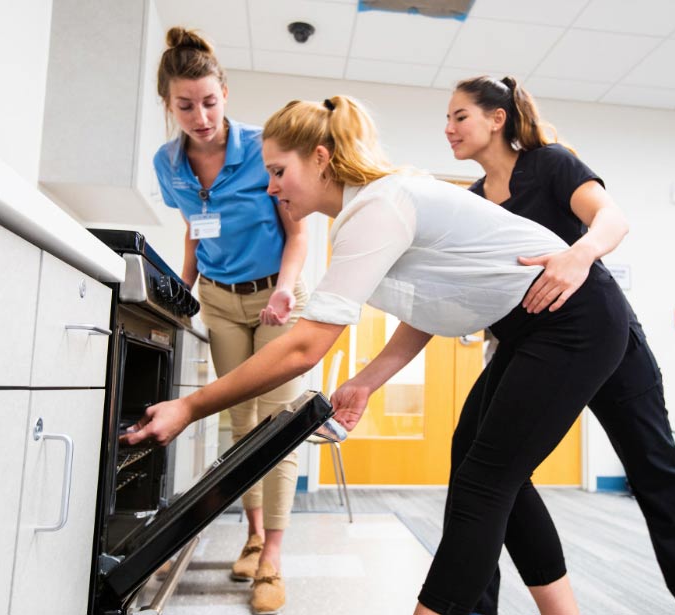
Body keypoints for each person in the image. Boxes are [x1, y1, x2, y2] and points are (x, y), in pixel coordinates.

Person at [122, 93, 631, 615]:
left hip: (576, 320)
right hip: (533, 327)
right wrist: (367, 381)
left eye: (277, 171)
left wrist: (189, 406)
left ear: (320, 158)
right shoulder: (369, 209)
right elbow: (430, 309)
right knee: (488, 469)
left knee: (484, 481)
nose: (270, 187)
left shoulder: (378, 208)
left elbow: (303, 347)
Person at [445, 75, 675, 615]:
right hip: (530, 343)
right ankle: (468, 603)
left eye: (459, 116)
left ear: (497, 118)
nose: (448, 129)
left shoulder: (551, 163)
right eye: (447, 120)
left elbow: (612, 218)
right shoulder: (473, 203)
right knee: (478, 462)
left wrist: (578, 255)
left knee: (658, 471)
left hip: (604, 339)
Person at [152, 27, 309, 614]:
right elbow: (196, 225)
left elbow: (298, 231)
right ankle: (248, 535)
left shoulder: (262, 147)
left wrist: (289, 290)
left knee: (279, 420)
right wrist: (183, 289)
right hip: (219, 300)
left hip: (277, 296)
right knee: (236, 420)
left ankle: (272, 556)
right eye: (185, 105)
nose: (200, 115)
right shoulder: (167, 164)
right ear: (168, 104)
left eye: (210, 101)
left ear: (225, 93)